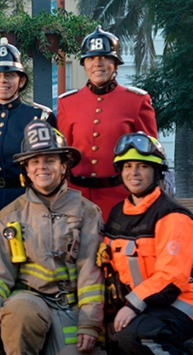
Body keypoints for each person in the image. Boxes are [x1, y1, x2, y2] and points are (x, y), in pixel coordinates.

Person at [0, 120, 106, 355]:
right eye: (34, 161)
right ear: (26, 169)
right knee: (20, 309)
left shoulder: (87, 212)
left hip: (69, 308)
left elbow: (91, 274)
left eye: (50, 160)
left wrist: (89, 322)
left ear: (64, 166)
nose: (41, 167)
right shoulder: (10, 215)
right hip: (29, 302)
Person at [103, 133, 193, 355]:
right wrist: (111, 313)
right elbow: (113, 271)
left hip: (177, 304)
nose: (134, 172)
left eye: (142, 166)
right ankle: (174, 354)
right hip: (145, 307)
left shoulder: (172, 215)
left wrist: (131, 306)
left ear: (156, 171)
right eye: (128, 166)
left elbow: (171, 278)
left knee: (134, 334)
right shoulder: (118, 212)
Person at [58, 25, 157, 219]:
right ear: (84, 64)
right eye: (91, 58)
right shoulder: (67, 103)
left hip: (121, 199)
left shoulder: (136, 101)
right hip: (77, 200)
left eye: (105, 57)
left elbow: (149, 155)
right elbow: (63, 156)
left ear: (116, 63)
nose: (98, 63)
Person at [0, 38, 55, 218]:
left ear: (21, 81)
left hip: (24, 199)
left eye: (10, 75)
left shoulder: (39, 116)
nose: (2, 81)